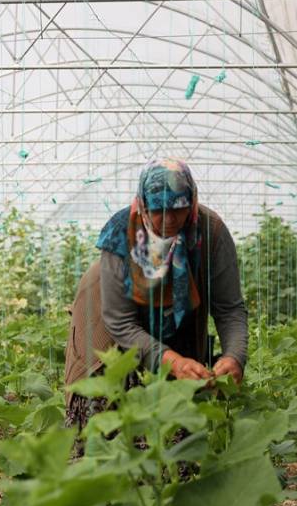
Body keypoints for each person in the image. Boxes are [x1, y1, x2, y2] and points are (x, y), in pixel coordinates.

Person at [64, 158, 248, 432]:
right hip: (107, 306)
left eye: (179, 209)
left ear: (192, 202)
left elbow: (229, 309)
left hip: (179, 306)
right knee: (103, 399)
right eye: (158, 210)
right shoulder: (119, 233)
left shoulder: (211, 232)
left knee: (180, 402)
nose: (170, 220)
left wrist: (234, 356)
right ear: (143, 205)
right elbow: (121, 323)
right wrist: (170, 359)